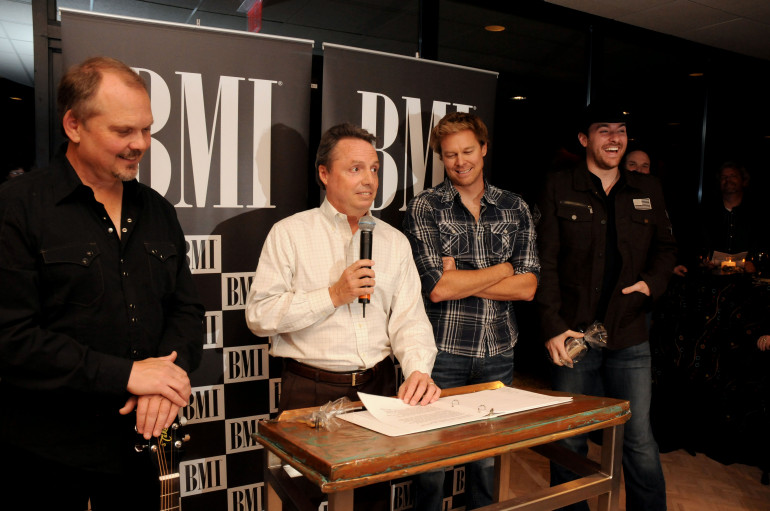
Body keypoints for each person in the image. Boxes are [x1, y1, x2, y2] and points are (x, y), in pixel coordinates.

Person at [0, 57, 204, 510]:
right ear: (74, 125)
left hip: (143, 446)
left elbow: (187, 310)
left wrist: (165, 380)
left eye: (147, 130)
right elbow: (11, 337)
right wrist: (128, 375)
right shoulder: (17, 206)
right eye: (123, 131)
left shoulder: (158, 211)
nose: (141, 144)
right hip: (46, 455)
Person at [535, 103, 676, 511]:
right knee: (570, 438)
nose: (615, 139)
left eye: (621, 130)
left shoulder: (648, 189)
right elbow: (544, 261)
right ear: (584, 139)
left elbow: (667, 249)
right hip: (573, 334)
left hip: (629, 331)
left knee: (639, 439)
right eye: (603, 130)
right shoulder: (558, 185)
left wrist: (651, 284)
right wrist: (551, 326)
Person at [245, 123, 440, 413]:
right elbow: (260, 316)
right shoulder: (289, 233)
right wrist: (333, 295)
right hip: (310, 390)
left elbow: (410, 320)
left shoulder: (394, 241)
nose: (369, 180)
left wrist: (418, 370)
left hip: (380, 387)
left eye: (374, 169)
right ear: (325, 174)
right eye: (355, 169)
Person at [403, 112, 540, 510]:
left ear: (483, 149)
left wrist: (460, 275)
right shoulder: (426, 207)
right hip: (443, 352)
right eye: (450, 155)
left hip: (499, 351)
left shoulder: (515, 207)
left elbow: (528, 288)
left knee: (488, 462)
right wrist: (504, 269)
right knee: (431, 464)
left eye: (467, 151)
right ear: (441, 158)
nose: (460, 161)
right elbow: (438, 288)